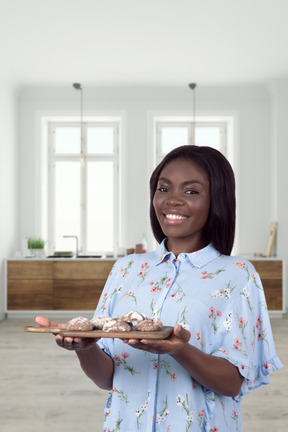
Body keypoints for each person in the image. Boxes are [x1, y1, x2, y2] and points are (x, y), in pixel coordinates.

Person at [36, 145, 282, 432]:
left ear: (217, 200)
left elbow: (232, 383)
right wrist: (84, 348)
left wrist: (179, 350)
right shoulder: (126, 269)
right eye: (164, 189)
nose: (172, 201)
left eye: (191, 191)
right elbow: (108, 379)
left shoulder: (238, 276)